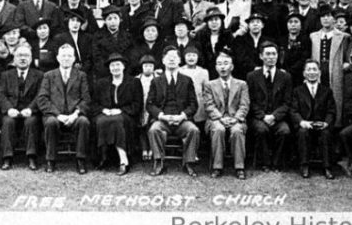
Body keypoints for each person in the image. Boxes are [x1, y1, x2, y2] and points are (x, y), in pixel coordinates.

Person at [146, 46, 201, 177]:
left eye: (174, 57)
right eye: (168, 57)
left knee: (193, 130)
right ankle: (159, 162)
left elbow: (194, 104)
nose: (171, 60)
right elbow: (149, 104)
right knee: (154, 130)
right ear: (163, 60)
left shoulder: (187, 80)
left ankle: (188, 162)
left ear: (179, 60)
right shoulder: (156, 81)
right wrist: (161, 116)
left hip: (181, 120)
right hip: (163, 119)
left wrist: (182, 116)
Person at [37, 43, 92, 174]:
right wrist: (58, 115)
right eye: (63, 56)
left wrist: (75, 114)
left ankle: (81, 159)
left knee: (83, 122)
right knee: (50, 122)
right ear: (57, 58)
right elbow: (42, 99)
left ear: (74, 58)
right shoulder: (48, 75)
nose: (66, 58)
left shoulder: (81, 75)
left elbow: (86, 99)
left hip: (74, 115)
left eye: (69, 56)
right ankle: (50, 160)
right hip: (55, 115)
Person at [245, 42, 293, 171]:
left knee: (284, 131)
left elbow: (287, 102)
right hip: (258, 117)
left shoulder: (285, 76)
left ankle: (276, 163)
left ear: (278, 56)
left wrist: (274, 116)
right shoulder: (252, 76)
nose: (271, 57)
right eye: (267, 54)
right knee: (261, 130)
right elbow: (250, 100)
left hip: (277, 117)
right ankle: (265, 163)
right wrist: (263, 116)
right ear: (261, 56)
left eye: (274, 54)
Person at [201, 51, 249, 179]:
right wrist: (220, 118)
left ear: (232, 67)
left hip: (235, 118)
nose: (222, 67)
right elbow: (209, 105)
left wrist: (236, 119)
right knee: (218, 129)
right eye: (219, 64)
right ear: (216, 67)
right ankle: (217, 167)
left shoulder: (242, 84)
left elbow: (244, 105)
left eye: (226, 63)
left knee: (237, 130)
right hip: (216, 119)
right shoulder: (209, 85)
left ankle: (239, 167)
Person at [92, 52, 142, 175]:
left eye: (118, 65)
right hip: (105, 113)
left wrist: (120, 110)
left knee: (117, 120)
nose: (115, 68)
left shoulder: (134, 82)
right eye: (112, 65)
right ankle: (103, 157)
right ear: (109, 68)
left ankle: (123, 159)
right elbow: (93, 104)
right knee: (102, 120)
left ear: (123, 66)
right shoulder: (101, 83)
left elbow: (137, 104)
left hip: (126, 115)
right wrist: (104, 110)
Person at [0, 44, 44, 170]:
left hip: (30, 112)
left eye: (26, 55)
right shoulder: (6, 75)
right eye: (19, 55)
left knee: (31, 122)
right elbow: (1, 94)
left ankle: (31, 157)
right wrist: (9, 109)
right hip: (12, 111)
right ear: (14, 58)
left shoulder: (39, 75)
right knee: (7, 122)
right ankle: (7, 158)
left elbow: (40, 95)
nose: (23, 58)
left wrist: (31, 109)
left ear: (31, 58)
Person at [289, 60, 336, 179]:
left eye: (314, 69)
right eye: (308, 70)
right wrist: (302, 122)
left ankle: (327, 167)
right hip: (305, 125)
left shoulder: (327, 91)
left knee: (326, 133)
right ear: (304, 73)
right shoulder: (297, 91)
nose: (312, 72)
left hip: (321, 125)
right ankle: (304, 165)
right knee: (302, 133)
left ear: (319, 73)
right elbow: (293, 111)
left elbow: (331, 111)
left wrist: (326, 123)